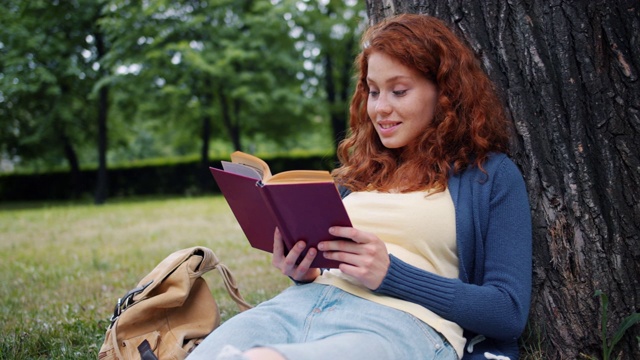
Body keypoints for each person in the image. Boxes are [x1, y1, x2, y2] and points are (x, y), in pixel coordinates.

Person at [188, 13, 532, 360]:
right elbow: (327, 266)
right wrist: (303, 273)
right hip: (296, 308)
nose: (381, 108)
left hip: (397, 325)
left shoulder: (488, 176)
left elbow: (507, 312)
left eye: (399, 91)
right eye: (373, 91)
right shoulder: (358, 173)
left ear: (444, 92)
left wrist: (391, 274)